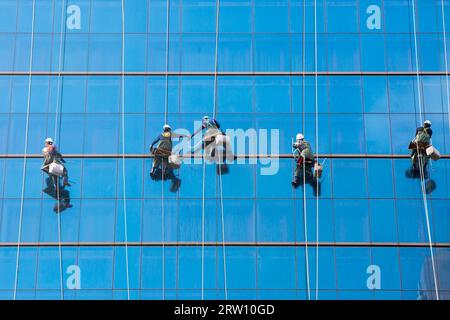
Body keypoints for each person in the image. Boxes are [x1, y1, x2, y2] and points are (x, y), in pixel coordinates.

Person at [150, 125, 187, 189]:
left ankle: (153, 170)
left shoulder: (161, 134)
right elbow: (178, 136)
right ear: (169, 129)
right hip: (167, 150)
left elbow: (156, 140)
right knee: (165, 161)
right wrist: (184, 136)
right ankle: (163, 172)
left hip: (161, 149)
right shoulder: (170, 134)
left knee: (157, 159)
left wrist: (152, 144)